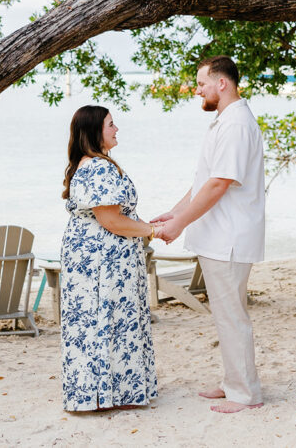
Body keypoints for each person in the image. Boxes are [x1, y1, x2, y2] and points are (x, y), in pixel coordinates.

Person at [152, 56, 265, 414]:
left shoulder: (236, 125)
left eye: (201, 83)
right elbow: (204, 180)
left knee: (233, 317)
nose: (197, 89)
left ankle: (246, 394)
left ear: (222, 84)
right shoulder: (224, 122)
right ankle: (233, 382)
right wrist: (175, 212)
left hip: (229, 237)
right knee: (225, 315)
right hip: (217, 236)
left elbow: (219, 184)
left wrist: (180, 223)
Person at [59, 105, 159, 412]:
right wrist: (151, 230)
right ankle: (112, 394)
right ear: (94, 132)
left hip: (88, 257)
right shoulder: (98, 167)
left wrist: (145, 226)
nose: (117, 129)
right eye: (111, 125)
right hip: (104, 260)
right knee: (109, 320)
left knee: (91, 322)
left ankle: (95, 393)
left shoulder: (86, 165)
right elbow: (111, 220)